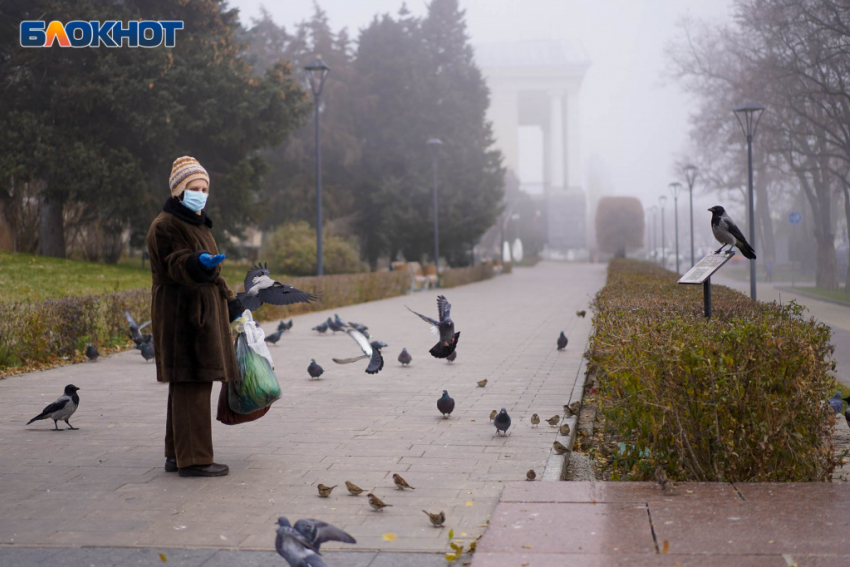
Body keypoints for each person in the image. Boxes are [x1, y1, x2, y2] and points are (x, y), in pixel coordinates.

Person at [146, 156, 243, 477]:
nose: (200, 194)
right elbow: (175, 262)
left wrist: (230, 303)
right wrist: (194, 263)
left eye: (204, 188)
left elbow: (212, 272)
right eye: (193, 188)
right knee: (193, 382)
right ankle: (196, 460)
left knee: (187, 384)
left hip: (199, 314)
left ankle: (177, 455)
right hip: (182, 317)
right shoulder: (166, 225)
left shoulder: (196, 223)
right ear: (178, 191)